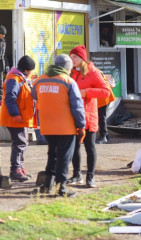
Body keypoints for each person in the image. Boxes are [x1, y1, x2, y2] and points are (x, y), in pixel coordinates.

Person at [31, 54, 86, 197]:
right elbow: (77, 107)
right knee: (64, 158)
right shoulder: (68, 81)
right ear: (67, 68)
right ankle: (61, 189)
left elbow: (33, 95)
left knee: (52, 155)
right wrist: (81, 126)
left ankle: (47, 186)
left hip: (47, 126)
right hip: (65, 127)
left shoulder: (40, 80)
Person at [67, 45, 110, 188]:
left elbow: (106, 92)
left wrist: (87, 92)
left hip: (89, 117)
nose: (72, 59)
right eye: (71, 57)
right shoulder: (70, 73)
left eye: (75, 57)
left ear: (82, 58)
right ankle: (76, 174)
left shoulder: (93, 72)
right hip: (73, 116)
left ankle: (90, 177)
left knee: (90, 147)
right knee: (74, 147)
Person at [0, 55, 36, 181]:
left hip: (20, 118)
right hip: (14, 118)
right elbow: (10, 98)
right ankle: (15, 170)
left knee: (22, 142)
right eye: (31, 70)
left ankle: (19, 168)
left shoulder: (21, 77)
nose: (31, 72)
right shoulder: (14, 78)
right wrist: (15, 114)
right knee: (19, 143)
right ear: (27, 69)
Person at [96, 74, 115, 144]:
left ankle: (103, 136)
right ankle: (106, 135)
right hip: (103, 96)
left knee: (101, 117)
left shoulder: (92, 72)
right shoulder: (94, 71)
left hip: (103, 97)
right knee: (101, 117)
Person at [0, 25, 10, 103]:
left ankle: (0, 100)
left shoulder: (4, 41)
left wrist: (7, 65)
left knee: (1, 83)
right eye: (3, 34)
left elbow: (5, 54)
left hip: (1, 65)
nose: (4, 35)